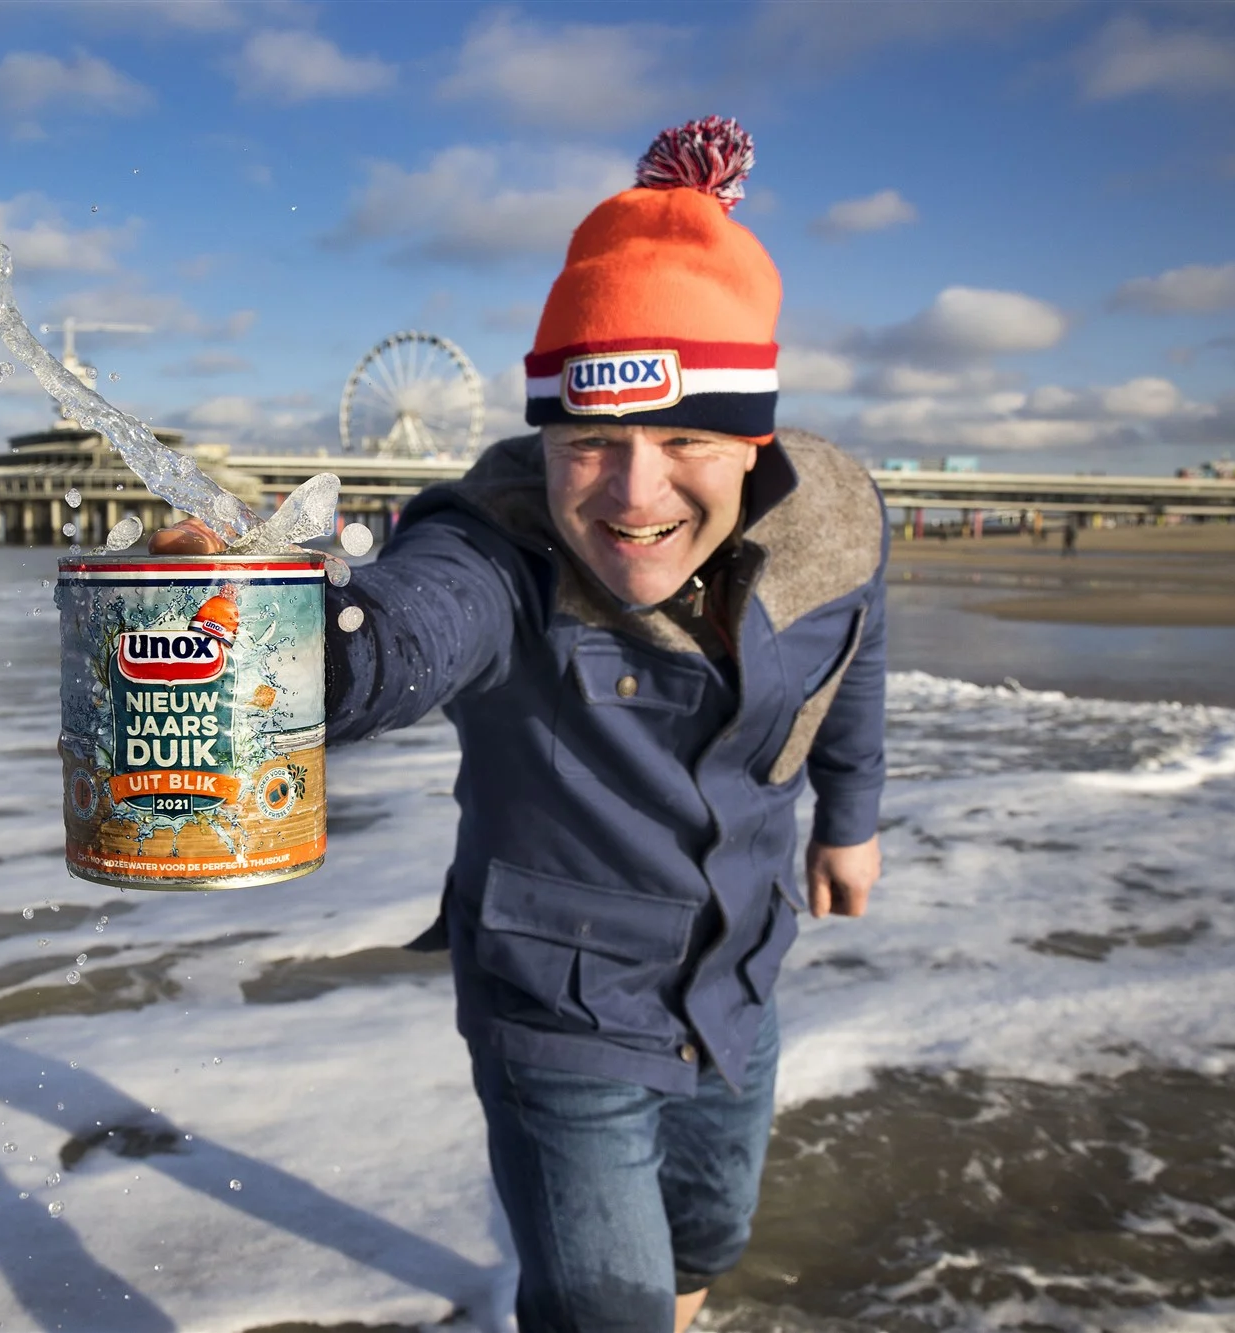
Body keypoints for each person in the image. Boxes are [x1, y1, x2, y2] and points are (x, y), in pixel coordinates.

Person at [153, 117, 886, 1333]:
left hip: (736, 976)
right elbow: (400, 632)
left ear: (751, 437)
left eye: (683, 440)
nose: (633, 492)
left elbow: (852, 659)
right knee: (603, 1306)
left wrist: (846, 820)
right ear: (543, 434)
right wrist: (266, 633)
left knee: (708, 1231)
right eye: (588, 441)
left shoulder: (835, 520)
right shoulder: (495, 537)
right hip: (559, 1004)